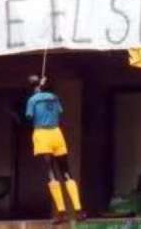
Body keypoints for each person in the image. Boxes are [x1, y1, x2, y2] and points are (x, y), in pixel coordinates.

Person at [25, 75, 85, 225]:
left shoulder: (32, 100)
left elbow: (29, 117)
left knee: (51, 173)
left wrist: (36, 95)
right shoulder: (54, 97)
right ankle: (78, 210)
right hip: (57, 133)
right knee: (66, 172)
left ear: (32, 87)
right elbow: (59, 111)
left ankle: (61, 212)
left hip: (42, 134)